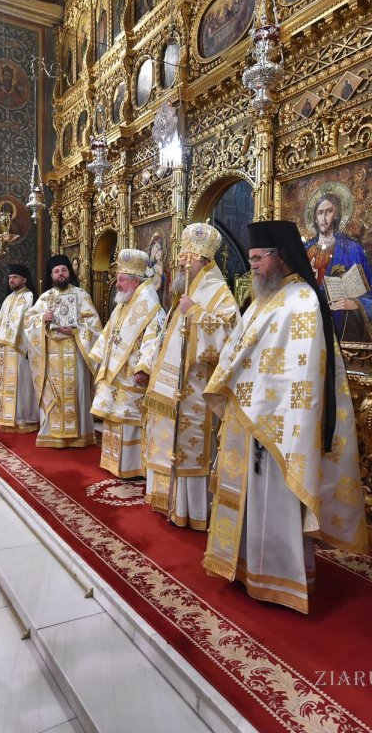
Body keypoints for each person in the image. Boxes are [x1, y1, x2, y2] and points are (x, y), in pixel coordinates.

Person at [202, 220, 366, 613]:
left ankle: (277, 575)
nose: (253, 266)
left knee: (272, 499)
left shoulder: (303, 302)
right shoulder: (264, 300)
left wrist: (260, 405)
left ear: (279, 257)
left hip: (278, 425)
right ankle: (244, 567)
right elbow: (240, 352)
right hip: (250, 417)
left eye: (258, 259)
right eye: (252, 259)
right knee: (246, 498)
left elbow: (303, 372)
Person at [142, 223, 239, 528]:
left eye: (189, 258)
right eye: (182, 256)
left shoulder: (218, 291)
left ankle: (193, 510)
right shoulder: (185, 290)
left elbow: (230, 335)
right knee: (168, 441)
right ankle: (169, 501)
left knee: (190, 444)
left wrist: (195, 314)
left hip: (197, 387)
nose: (182, 262)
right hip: (172, 385)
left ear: (205, 261)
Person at [88, 249, 165, 478]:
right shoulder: (123, 304)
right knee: (115, 416)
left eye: (121, 279)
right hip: (115, 371)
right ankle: (114, 463)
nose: (117, 284)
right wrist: (101, 356)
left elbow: (155, 339)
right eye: (118, 278)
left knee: (129, 418)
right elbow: (109, 333)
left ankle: (134, 467)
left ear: (135, 280)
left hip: (132, 375)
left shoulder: (151, 308)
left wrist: (144, 368)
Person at [24, 255, 102, 448]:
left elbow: (95, 326)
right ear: (51, 275)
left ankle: (81, 435)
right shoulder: (45, 298)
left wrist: (76, 331)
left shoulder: (81, 295)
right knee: (55, 391)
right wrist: (43, 318)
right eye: (57, 271)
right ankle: (53, 435)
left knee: (78, 391)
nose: (61, 274)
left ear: (69, 272)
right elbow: (29, 321)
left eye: (64, 270)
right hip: (51, 357)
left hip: (76, 354)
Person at [305, 193, 372, 342]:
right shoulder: (305, 250)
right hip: (308, 321)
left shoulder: (352, 248)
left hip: (341, 324)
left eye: (329, 211)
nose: (324, 218)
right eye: (320, 213)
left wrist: (355, 303)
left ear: (337, 215)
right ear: (315, 217)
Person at [0, 264, 38, 433]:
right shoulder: (8, 298)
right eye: (10, 278)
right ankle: (6, 418)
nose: (11, 280)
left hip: (19, 349)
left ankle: (23, 419)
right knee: (7, 385)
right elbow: (0, 323)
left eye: (15, 277)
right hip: (5, 349)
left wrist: (22, 345)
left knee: (22, 384)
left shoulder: (30, 297)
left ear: (24, 279)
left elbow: (28, 323)